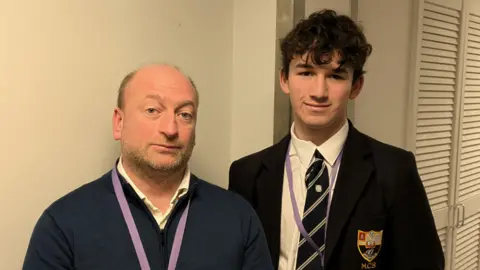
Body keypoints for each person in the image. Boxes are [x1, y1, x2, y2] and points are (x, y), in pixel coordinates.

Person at [228, 9, 444, 270]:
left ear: (356, 86)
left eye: (335, 76)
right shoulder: (246, 174)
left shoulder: (394, 170)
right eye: (306, 73)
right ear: (284, 79)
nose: (319, 92)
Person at [23, 64, 274, 270]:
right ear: (119, 123)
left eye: (184, 114)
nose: (170, 129)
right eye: (153, 110)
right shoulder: (64, 223)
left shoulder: (238, 218)